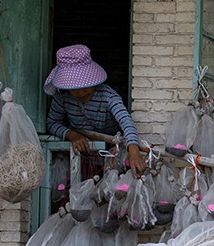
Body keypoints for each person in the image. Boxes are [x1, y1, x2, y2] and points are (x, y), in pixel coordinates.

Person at [44, 44, 146, 176]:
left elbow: (126, 121)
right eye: (74, 88)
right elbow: (52, 123)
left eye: (85, 86)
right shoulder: (62, 96)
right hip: (83, 157)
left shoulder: (108, 96)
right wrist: (72, 135)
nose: (80, 92)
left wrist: (133, 149)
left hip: (113, 156)